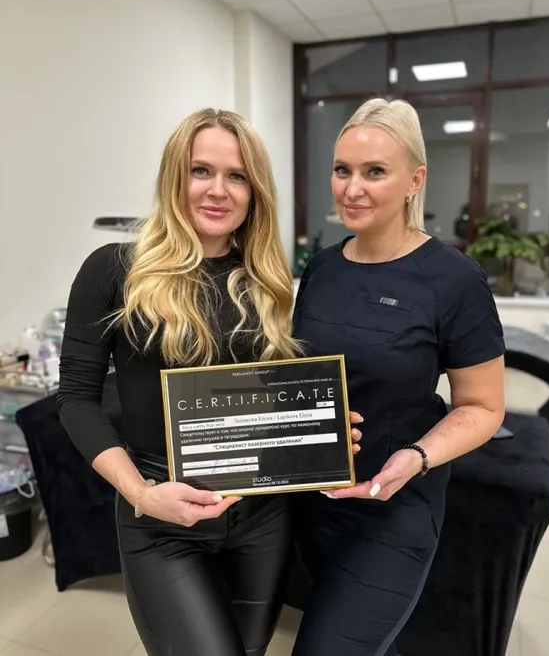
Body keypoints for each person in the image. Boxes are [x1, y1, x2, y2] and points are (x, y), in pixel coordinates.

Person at [57, 108, 361, 656]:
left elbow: (268, 395)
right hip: (161, 516)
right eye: (201, 170)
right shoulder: (115, 268)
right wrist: (141, 494)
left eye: (237, 176)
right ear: (175, 175)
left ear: (254, 191)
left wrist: (317, 432)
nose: (218, 190)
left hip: (263, 516)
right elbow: (76, 400)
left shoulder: (265, 277)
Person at [291, 98, 506, 656]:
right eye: (342, 170)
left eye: (374, 172)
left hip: (395, 509)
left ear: (416, 180)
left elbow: (483, 407)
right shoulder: (323, 267)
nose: (352, 188)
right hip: (313, 501)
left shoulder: (454, 279)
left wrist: (415, 457)